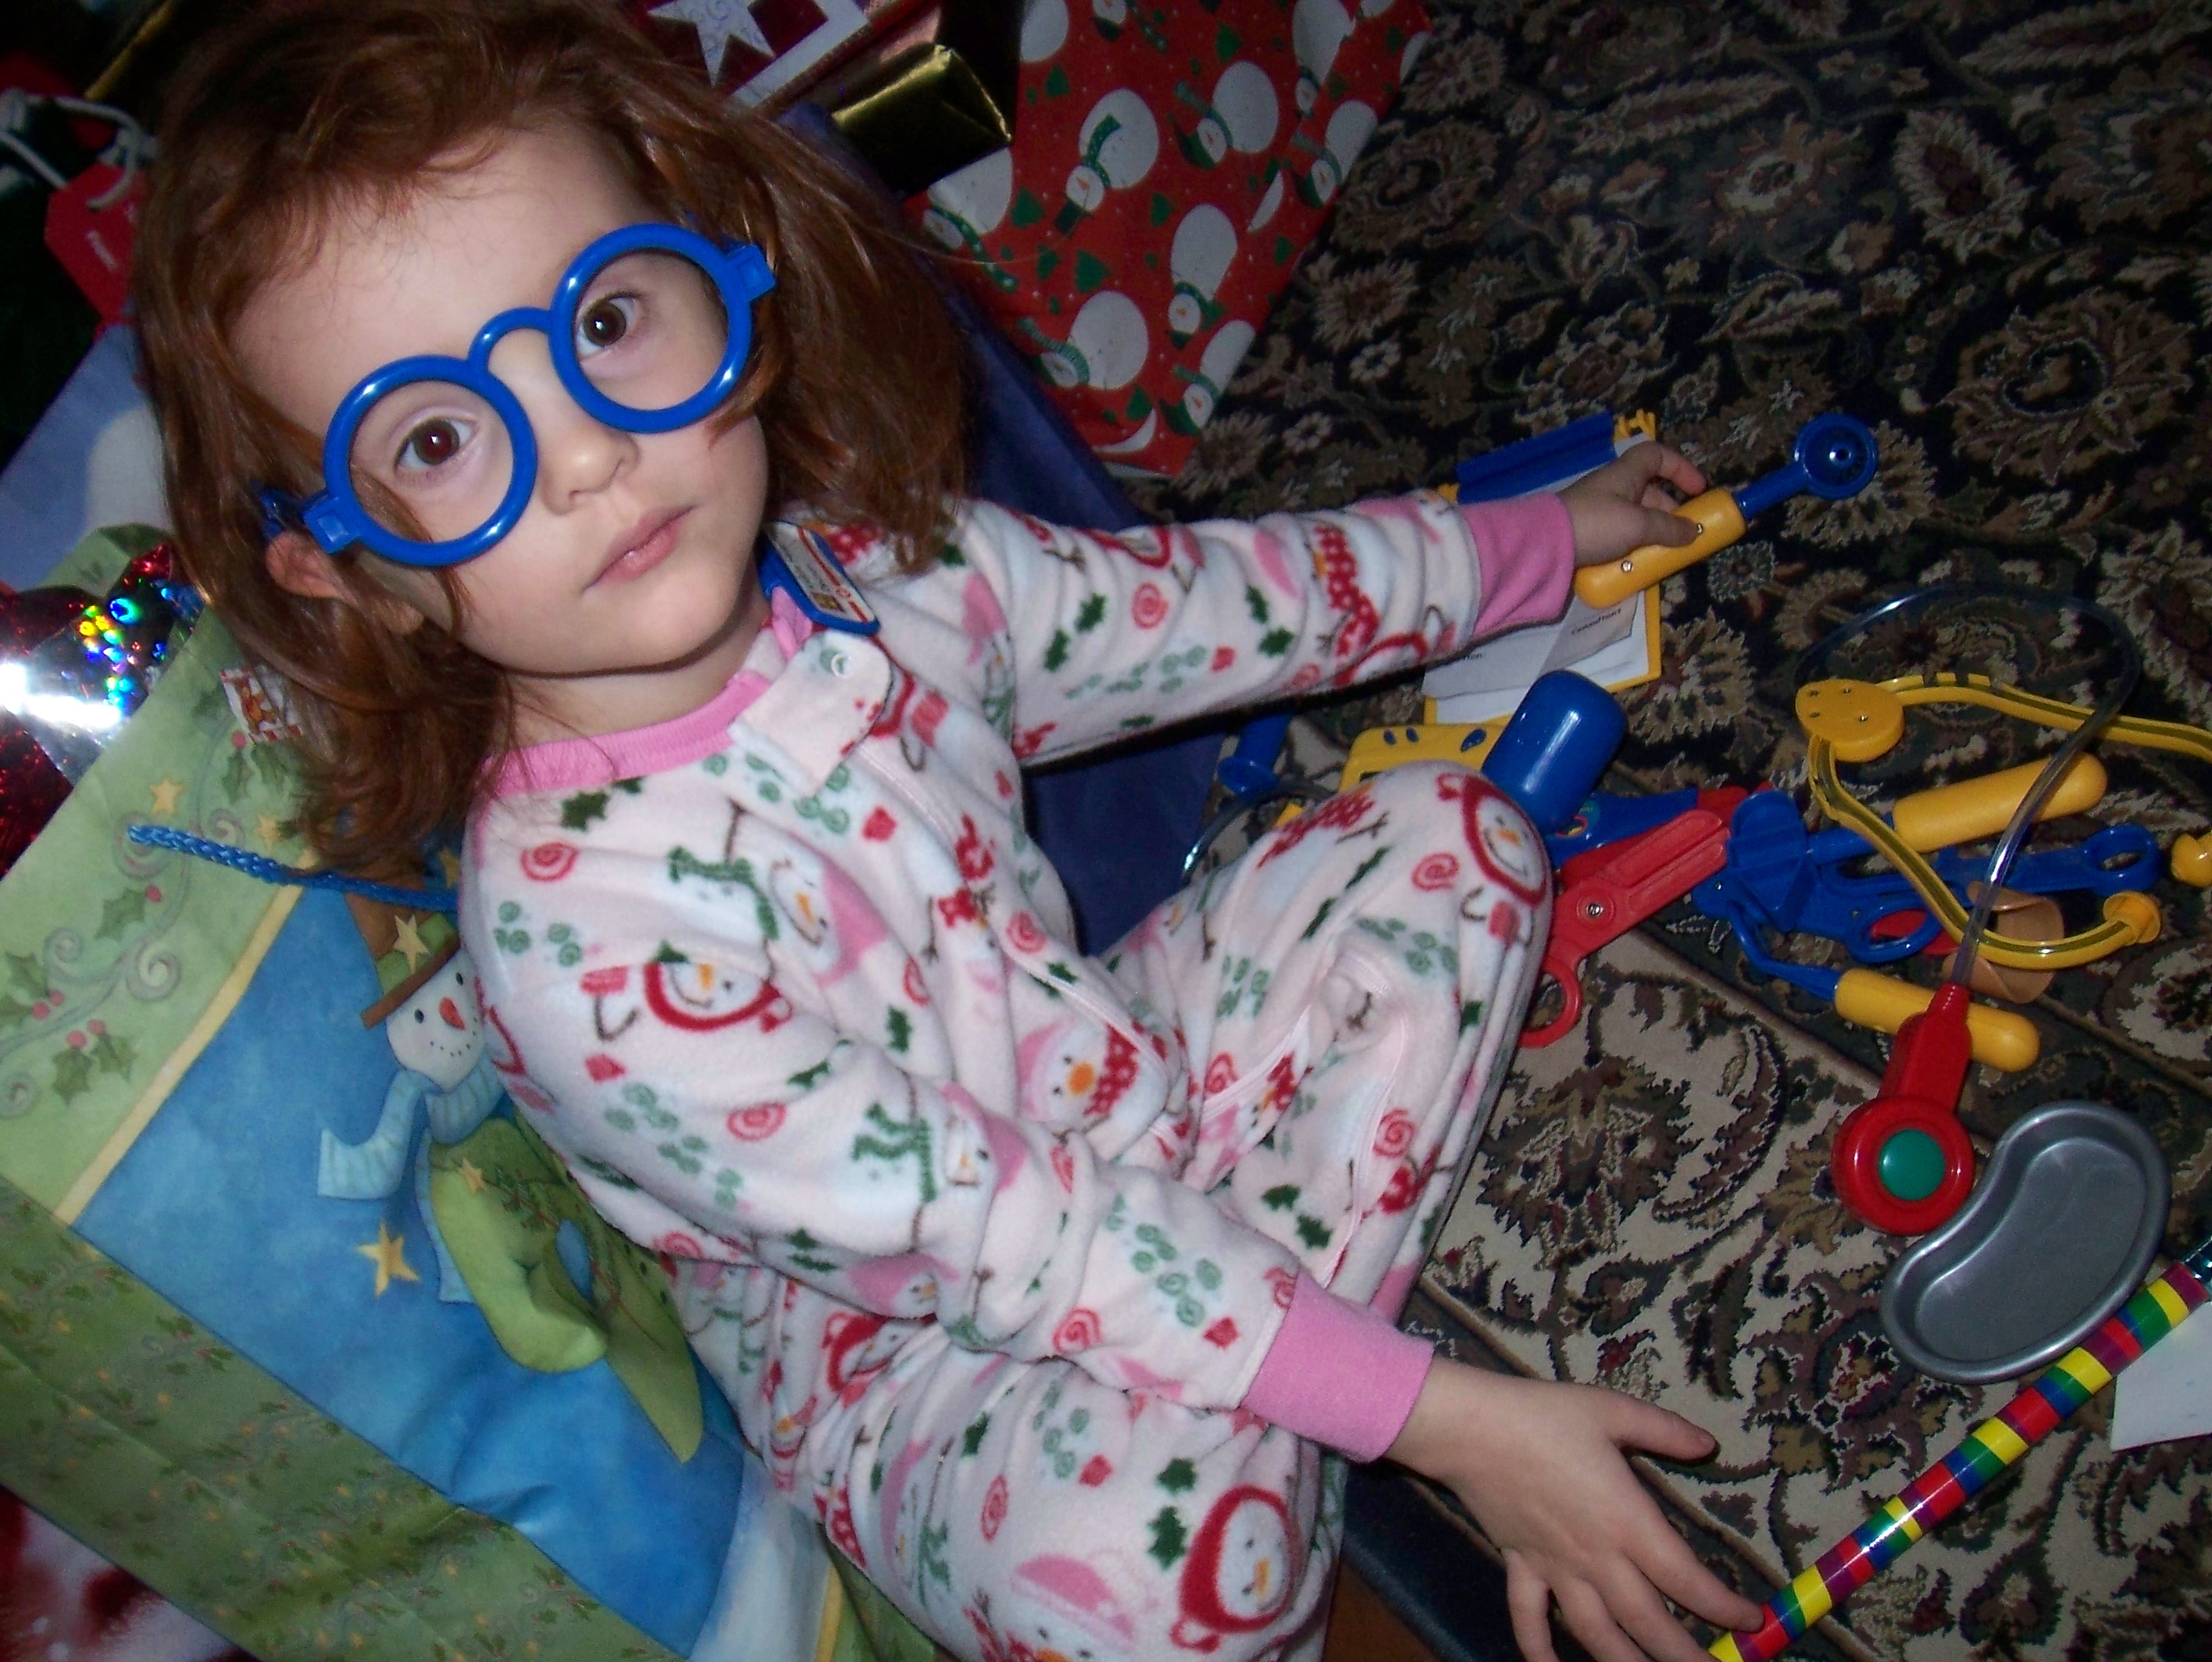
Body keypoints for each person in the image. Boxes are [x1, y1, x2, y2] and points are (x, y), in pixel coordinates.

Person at [134, 4, 1767, 1660]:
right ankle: (1284, 1372)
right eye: (435, 440)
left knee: (1454, 840)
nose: (588, 453)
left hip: (1121, 1092)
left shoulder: (870, 576)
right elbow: (997, 1231)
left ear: (723, 271)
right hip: (921, 1368)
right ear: (348, 576)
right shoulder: (585, 949)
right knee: (1155, 1587)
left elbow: (1209, 607)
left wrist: (1525, 544)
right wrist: (1446, 1420)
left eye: (606, 319)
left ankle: (1260, 1359)